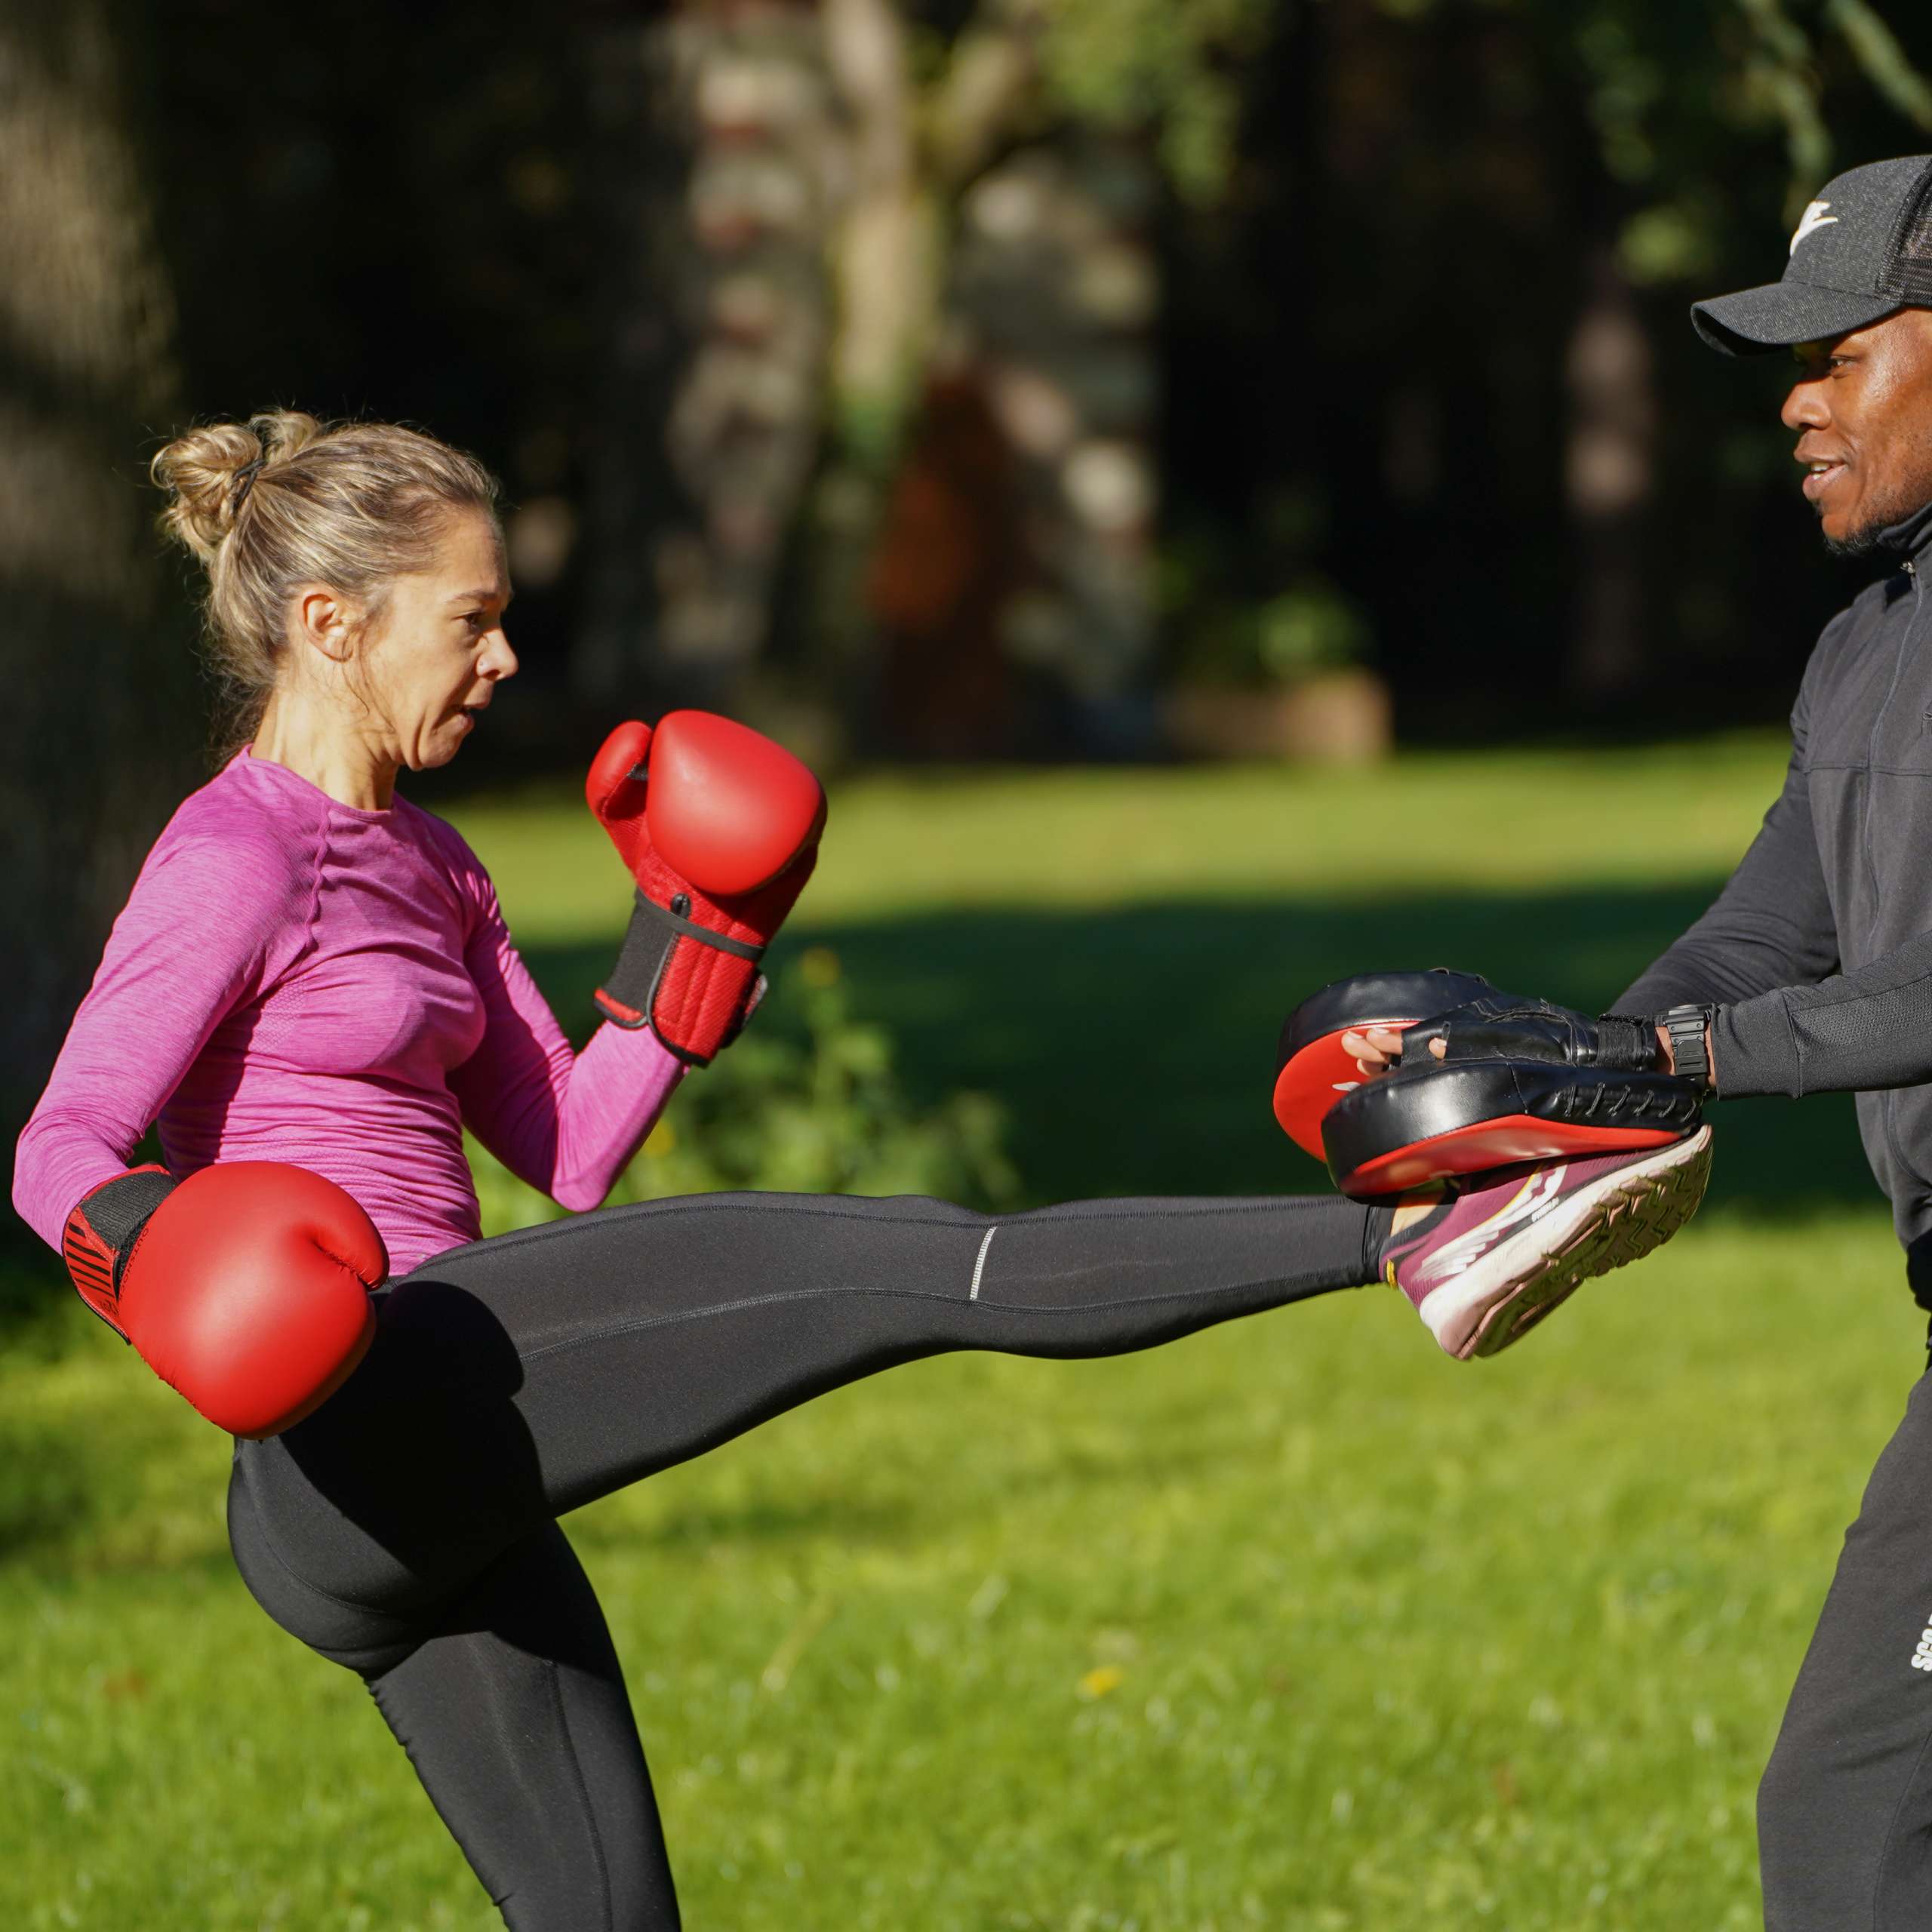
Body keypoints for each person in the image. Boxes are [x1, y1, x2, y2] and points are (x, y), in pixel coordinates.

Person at [10, 410, 1706, 1930]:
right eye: (473, 618)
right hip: (353, 1415)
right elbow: (58, 1148)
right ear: (332, 625)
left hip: (452, 1453)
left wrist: (699, 930)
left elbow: (570, 1149)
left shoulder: (435, 862)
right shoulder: (231, 853)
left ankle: (1429, 1235)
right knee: (908, 1265)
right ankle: (1428, 1227)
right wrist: (167, 1256)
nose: (509, 655)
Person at [1343, 152, 1932, 1930]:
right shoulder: (1862, 648)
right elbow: (1777, 928)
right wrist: (1553, 1059)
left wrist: (1689, 1063)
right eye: (1788, 361)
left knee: (1852, 1817)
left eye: (1839, 351)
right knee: (1853, 1816)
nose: (1796, 401)